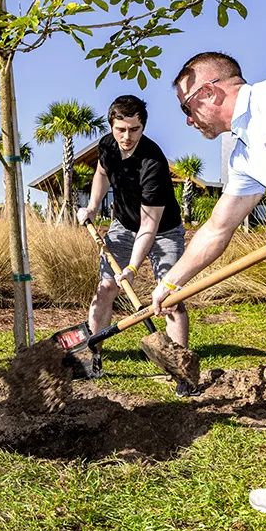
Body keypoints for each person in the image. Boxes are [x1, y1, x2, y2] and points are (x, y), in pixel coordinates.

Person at [152, 51, 266, 523]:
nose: (188, 120)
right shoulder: (243, 152)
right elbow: (218, 229)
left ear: (211, 90)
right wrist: (172, 282)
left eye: (186, 107)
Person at [76, 94, 191, 392]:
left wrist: (132, 267)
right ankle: (93, 355)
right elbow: (101, 173)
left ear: (143, 126)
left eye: (134, 130)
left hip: (163, 230)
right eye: (121, 130)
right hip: (122, 226)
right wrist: (92, 206)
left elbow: (149, 226)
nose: (127, 137)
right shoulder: (107, 146)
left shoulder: (153, 163)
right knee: (105, 288)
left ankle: (181, 371)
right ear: (112, 126)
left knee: (170, 297)